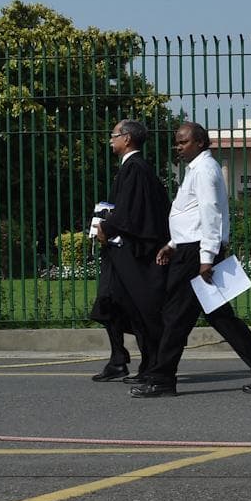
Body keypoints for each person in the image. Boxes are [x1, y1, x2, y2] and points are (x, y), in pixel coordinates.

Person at [130, 121, 251, 398]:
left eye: (183, 142)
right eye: (177, 142)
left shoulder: (204, 170)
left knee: (175, 316)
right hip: (190, 249)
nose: (178, 147)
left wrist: (206, 257)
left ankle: (162, 379)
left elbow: (211, 213)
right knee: (220, 316)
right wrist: (173, 244)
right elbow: (190, 215)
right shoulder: (196, 169)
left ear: (200, 142)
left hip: (196, 255)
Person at [89, 120, 171, 383]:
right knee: (108, 302)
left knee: (138, 308)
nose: (110, 139)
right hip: (118, 252)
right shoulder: (131, 168)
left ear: (126, 138)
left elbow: (130, 212)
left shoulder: (136, 168)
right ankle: (118, 358)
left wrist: (106, 227)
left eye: (113, 135)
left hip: (133, 253)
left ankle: (150, 364)